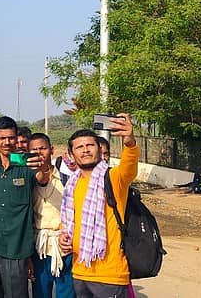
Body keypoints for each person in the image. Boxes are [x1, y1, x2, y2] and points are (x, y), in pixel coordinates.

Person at [58, 114, 139, 298]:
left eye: (90, 145)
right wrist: (64, 236)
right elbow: (70, 221)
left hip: (110, 275)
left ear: (99, 149)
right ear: (71, 154)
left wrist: (129, 142)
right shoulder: (71, 185)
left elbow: (129, 166)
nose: (85, 150)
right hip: (80, 272)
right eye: (79, 147)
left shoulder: (113, 178)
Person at [0, 117, 54, 297]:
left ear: (16, 137)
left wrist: (43, 167)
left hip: (16, 250)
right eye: (2, 138)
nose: (7, 142)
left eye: (11, 137)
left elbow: (42, 179)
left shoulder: (27, 165)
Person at [29, 133, 75, 298]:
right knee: (40, 293)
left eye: (43, 148)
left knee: (67, 293)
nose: (39, 153)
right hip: (39, 247)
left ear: (52, 150)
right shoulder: (27, 182)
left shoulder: (67, 180)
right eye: (34, 150)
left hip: (64, 246)